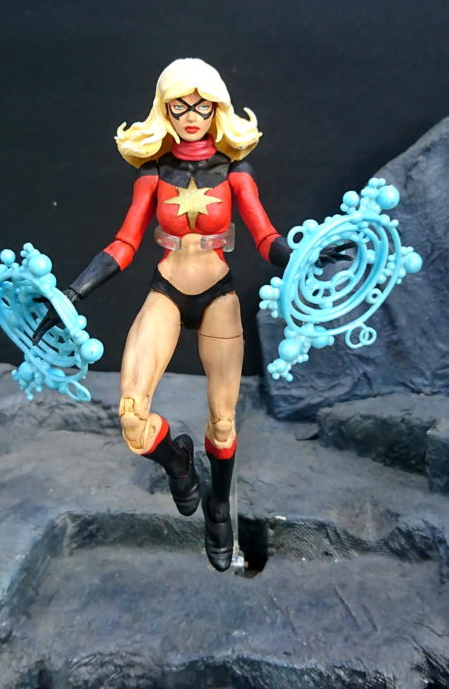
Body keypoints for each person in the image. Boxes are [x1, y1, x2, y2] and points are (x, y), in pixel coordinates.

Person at [33, 57, 349, 571]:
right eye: (180, 106)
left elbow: (266, 238)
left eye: (202, 105)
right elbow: (123, 244)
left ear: (217, 107)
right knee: (132, 417)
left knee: (223, 423)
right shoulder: (153, 173)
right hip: (167, 290)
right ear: (165, 109)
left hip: (218, 293)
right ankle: (177, 460)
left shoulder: (235, 171)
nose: (192, 116)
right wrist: (72, 294)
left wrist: (305, 255)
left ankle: (218, 506)